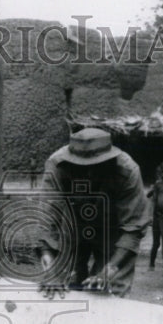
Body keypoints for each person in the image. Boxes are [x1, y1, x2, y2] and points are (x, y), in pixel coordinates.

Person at [37, 127, 149, 298]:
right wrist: (51, 269)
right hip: (73, 225)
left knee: (110, 291)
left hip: (113, 229)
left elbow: (133, 229)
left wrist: (109, 270)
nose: (88, 172)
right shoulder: (57, 164)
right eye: (79, 167)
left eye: (95, 167)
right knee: (64, 287)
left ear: (109, 161)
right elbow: (47, 218)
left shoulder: (128, 170)